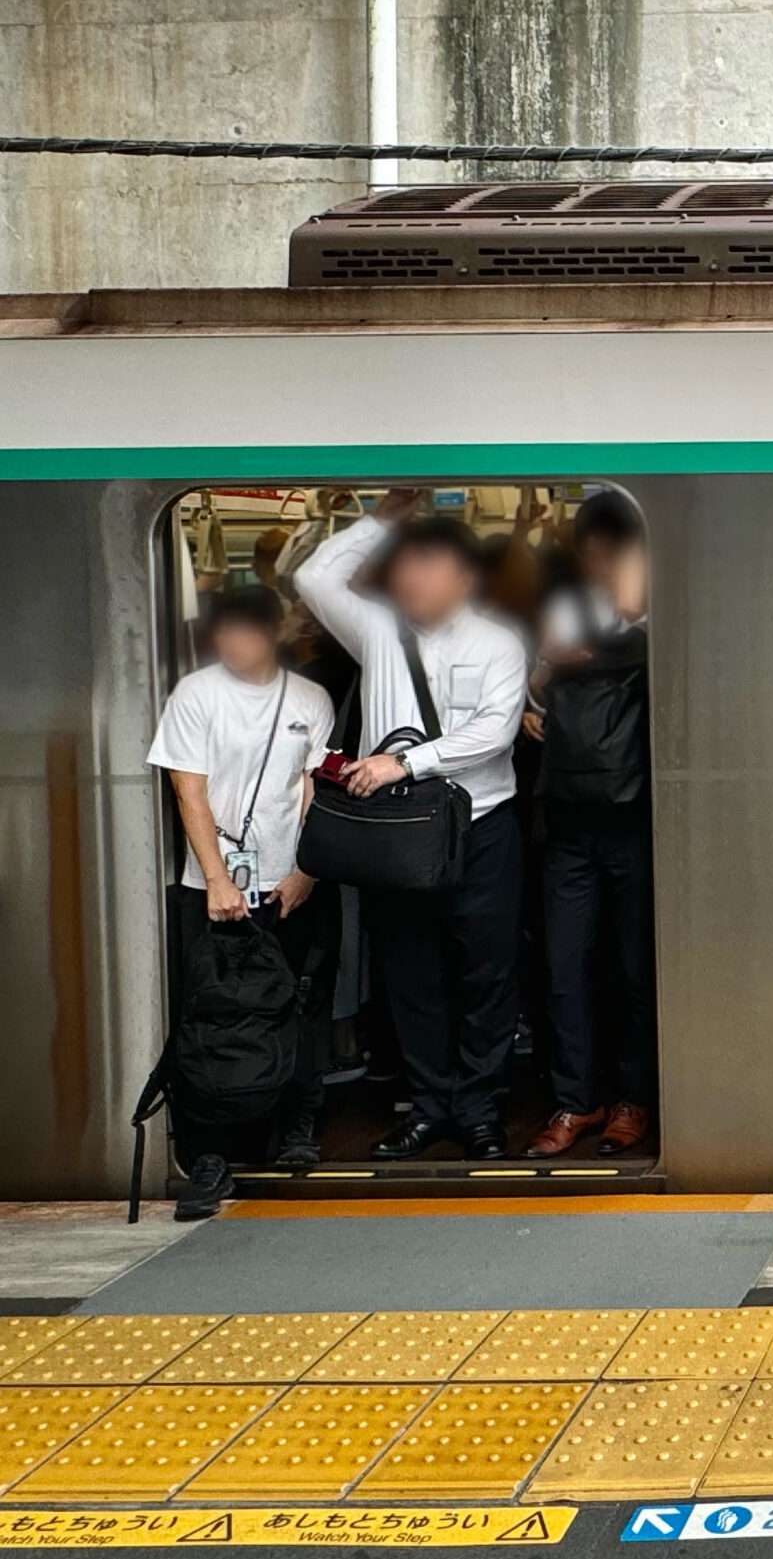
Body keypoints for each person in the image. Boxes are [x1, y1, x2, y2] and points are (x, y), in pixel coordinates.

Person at [296, 489, 531, 1161]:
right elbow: (313, 577)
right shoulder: (377, 631)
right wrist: (380, 521)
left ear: (464, 578)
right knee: (410, 974)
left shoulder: (498, 643)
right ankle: (429, 1107)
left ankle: (482, 1111)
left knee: (486, 975)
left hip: (480, 830)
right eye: (405, 565)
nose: (411, 578)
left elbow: (495, 731)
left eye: (428, 565)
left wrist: (405, 762)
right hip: (398, 839)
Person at [145, 586, 338, 1216]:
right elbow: (188, 793)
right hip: (211, 889)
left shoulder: (309, 699)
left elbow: (313, 790)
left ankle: (295, 1131)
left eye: (248, 631)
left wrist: (305, 872)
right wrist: (218, 878)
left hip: (292, 883)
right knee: (211, 1018)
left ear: (273, 633)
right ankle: (209, 1156)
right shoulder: (196, 696)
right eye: (224, 631)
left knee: (300, 1009)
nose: (235, 643)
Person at [523, 490, 659, 1159]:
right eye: (594, 550)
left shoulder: (658, 600)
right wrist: (540, 683)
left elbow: (648, 644)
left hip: (637, 811)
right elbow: (535, 678)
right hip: (570, 811)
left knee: (637, 966)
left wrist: (578, 655)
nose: (600, 562)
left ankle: (636, 1097)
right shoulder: (564, 605)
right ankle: (578, 1099)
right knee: (565, 965)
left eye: (614, 549)